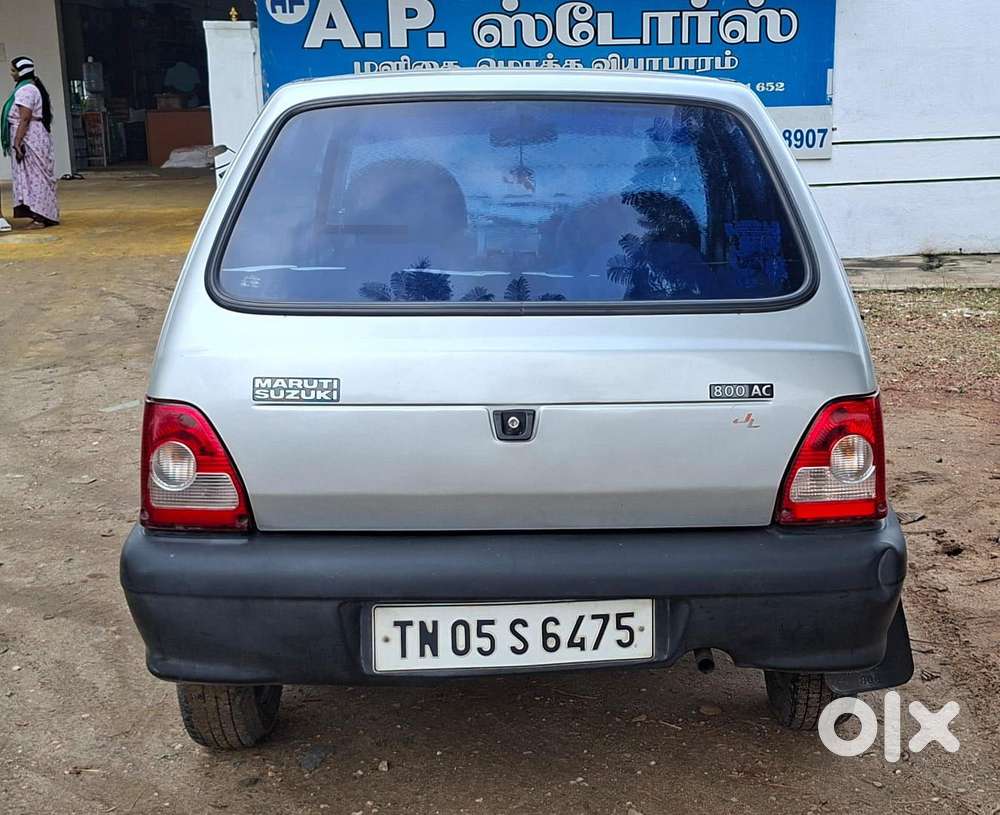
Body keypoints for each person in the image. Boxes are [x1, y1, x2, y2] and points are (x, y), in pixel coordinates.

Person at [1, 56, 59, 228]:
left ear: (21, 71)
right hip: (31, 135)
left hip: (29, 137)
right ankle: (42, 214)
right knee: (33, 176)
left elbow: (24, 118)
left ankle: (41, 218)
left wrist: (18, 141)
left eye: (13, 70)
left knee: (36, 177)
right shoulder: (29, 88)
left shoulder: (25, 90)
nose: (11, 73)